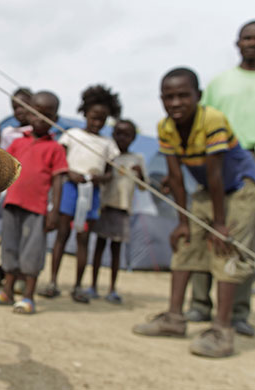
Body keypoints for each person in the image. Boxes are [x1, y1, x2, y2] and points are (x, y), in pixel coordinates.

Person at [132, 68, 255, 358]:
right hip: (206, 190)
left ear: (198, 97)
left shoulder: (211, 120)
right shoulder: (166, 128)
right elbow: (175, 177)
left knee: (226, 250)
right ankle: (174, 318)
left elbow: (217, 176)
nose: (175, 103)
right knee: (186, 245)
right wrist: (182, 223)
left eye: (183, 96)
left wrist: (221, 225)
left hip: (237, 188)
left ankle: (222, 331)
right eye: (168, 97)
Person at [186, 20, 255, 337]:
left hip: (249, 166)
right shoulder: (219, 83)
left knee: (241, 239)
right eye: (246, 37)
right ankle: (200, 304)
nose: (251, 42)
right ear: (237, 43)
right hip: (214, 163)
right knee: (204, 231)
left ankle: (238, 312)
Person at [39, 85, 121, 303]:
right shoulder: (71, 136)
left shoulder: (108, 145)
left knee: (83, 238)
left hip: (91, 193)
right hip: (70, 190)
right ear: (85, 113)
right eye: (94, 117)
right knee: (62, 235)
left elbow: (110, 174)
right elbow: (60, 163)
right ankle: (53, 281)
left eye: (102, 119)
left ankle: (77, 285)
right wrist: (70, 173)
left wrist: (97, 179)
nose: (97, 122)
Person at [0, 91, 68, 314]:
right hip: (13, 203)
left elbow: (58, 182)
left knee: (32, 252)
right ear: (28, 112)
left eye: (46, 115)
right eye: (35, 113)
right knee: (10, 247)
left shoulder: (55, 148)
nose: (39, 119)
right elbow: (5, 172)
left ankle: (28, 296)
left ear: (55, 119)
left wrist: (54, 211)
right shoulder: (17, 143)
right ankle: (7, 291)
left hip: (38, 208)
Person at [88, 119, 147, 304]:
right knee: (98, 247)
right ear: (113, 135)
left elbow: (144, 187)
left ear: (133, 138)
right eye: (118, 133)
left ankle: (112, 288)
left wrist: (141, 175)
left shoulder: (137, 159)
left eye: (126, 135)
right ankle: (93, 285)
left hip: (122, 209)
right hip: (104, 207)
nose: (122, 138)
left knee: (116, 249)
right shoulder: (109, 156)